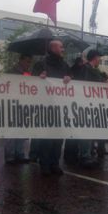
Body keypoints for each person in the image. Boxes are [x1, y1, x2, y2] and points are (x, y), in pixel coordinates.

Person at [32, 40, 71, 176]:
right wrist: (38, 78)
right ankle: (45, 164)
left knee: (59, 138)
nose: (63, 49)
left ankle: (55, 163)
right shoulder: (41, 64)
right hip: (46, 106)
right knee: (47, 138)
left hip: (60, 106)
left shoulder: (65, 65)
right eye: (61, 46)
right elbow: (31, 83)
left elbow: (72, 81)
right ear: (53, 48)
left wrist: (68, 78)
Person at [4, 54, 32, 164]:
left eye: (30, 62)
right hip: (13, 104)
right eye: (27, 61)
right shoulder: (12, 72)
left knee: (21, 130)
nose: (28, 64)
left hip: (24, 104)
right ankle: (10, 155)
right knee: (11, 131)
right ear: (21, 60)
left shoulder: (28, 74)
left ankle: (19, 154)